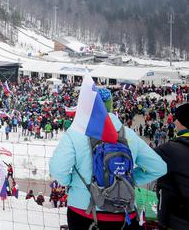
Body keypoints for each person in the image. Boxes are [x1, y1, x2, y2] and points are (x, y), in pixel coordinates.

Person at [49, 88, 167, 230]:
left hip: (84, 212)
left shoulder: (75, 133)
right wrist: (124, 178)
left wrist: (71, 182)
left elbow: (57, 168)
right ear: (110, 106)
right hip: (123, 212)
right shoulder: (129, 134)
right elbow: (159, 168)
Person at [155, 103, 189, 229]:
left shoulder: (170, 149)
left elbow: (144, 162)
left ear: (182, 122)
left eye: (177, 119)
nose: (174, 122)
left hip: (177, 219)